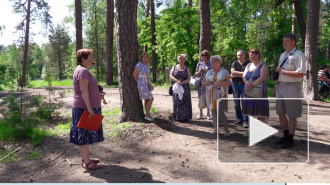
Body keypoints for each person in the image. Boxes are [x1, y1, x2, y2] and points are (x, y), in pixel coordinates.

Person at [69, 49, 103, 170]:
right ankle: (87, 162)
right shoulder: (82, 71)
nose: (93, 59)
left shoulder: (83, 70)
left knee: (85, 134)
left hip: (85, 107)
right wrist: (89, 108)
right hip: (84, 108)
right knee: (83, 135)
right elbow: (83, 90)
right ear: (83, 59)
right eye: (91, 57)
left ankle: (85, 158)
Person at [274, 33, 306, 149]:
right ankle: (285, 136)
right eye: (283, 40)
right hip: (281, 86)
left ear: (293, 42)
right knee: (280, 112)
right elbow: (279, 71)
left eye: (286, 40)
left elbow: (301, 73)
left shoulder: (299, 55)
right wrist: (276, 84)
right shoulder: (283, 55)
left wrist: (283, 72)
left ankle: (290, 139)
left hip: (293, 86)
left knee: (292, 114)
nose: (284, 42)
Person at [203, 55, 232, 136]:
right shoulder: (209, 72)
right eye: (211, 62)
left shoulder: (224, 72)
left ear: (219, 62)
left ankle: (226, 130)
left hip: (221, 94)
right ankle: (215, 129)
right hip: (210, 95)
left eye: (214, 61)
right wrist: (206, 83)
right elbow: (204, 83)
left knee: (220, 112)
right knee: (213, 112)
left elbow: (230, 82)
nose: (212, 63)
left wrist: (220, 83)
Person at [242, 49, 269, 130]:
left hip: (259, 92)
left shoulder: (263, 65)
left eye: (252, 54)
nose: (250, 56)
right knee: (250, 113)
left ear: (258, 55)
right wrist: (247, 84)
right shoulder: (248, 65)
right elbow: (243, 76)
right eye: (249, 55)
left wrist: (251, 84)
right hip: (248, 92)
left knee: (260, 113)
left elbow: (263, 77)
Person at [169, 54, 192, 121]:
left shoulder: (187, 68)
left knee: (185, 101)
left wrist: (183, 82)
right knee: (177, 101)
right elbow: (171, 75)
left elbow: (189, 78)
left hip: (185, 87)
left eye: (182, 59)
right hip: (176, 86)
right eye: (179, 59)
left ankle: (186, 117)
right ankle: (177, 117)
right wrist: (177, 81)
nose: (180, 60)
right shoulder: (174, 67)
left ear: (184, 60)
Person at [231, 49, 250, 128]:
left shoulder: (249, 64)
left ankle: (245, 120)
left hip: (244, 84)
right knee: (236, 103)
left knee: (245, 102)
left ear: (244, 55)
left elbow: (249, 74)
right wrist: (244, 73)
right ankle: (239, 118)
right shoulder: (234, 63)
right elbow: (232, 72)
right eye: (238, 55)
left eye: (241, 55)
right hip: (235, 84)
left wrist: (237, 74)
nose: (239, 56)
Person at [133, 52, 154, 121]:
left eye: (146, 57)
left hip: (146, 83)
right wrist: (139, 83)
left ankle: (147, 114)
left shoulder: (147, 65)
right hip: (141, 84)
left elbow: (147, 76)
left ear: (148, 59)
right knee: (151, 98)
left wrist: (149, 84)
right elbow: (134, 75)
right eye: (143, 57)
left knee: (147, 99)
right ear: (141, 58)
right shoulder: (139, 65)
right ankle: (147, 115)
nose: (144, 59)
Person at [194, 50, 212, 120]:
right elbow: (195, 74)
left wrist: (205, 70)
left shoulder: (210, 63)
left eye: (205, 55)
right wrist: (200, 71)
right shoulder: (199, 64)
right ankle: (200, 113)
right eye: (202, 55)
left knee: (208, 97)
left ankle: (208, 113)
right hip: (200, 84)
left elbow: (212, 72)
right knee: (200, 98)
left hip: (208, 83)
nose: (204, 57)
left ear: (207, 56)